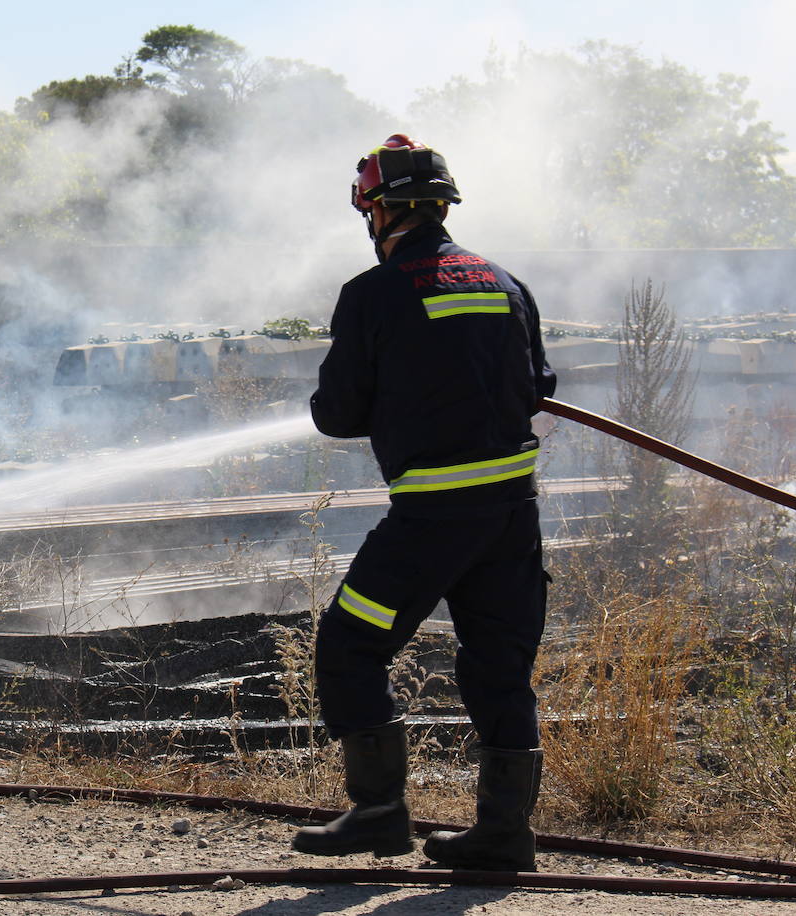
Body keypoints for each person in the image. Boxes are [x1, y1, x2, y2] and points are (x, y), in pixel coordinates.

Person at [291, 134, 557, 872]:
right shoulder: (507, 283)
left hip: (431, 521)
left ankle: (379, 815)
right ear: (441, 206)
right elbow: (539, 386)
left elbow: (339, 413)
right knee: (500, 668)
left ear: (377, 211)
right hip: (512, 517)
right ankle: (504, 836)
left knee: (350, 644)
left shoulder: (371, 293)